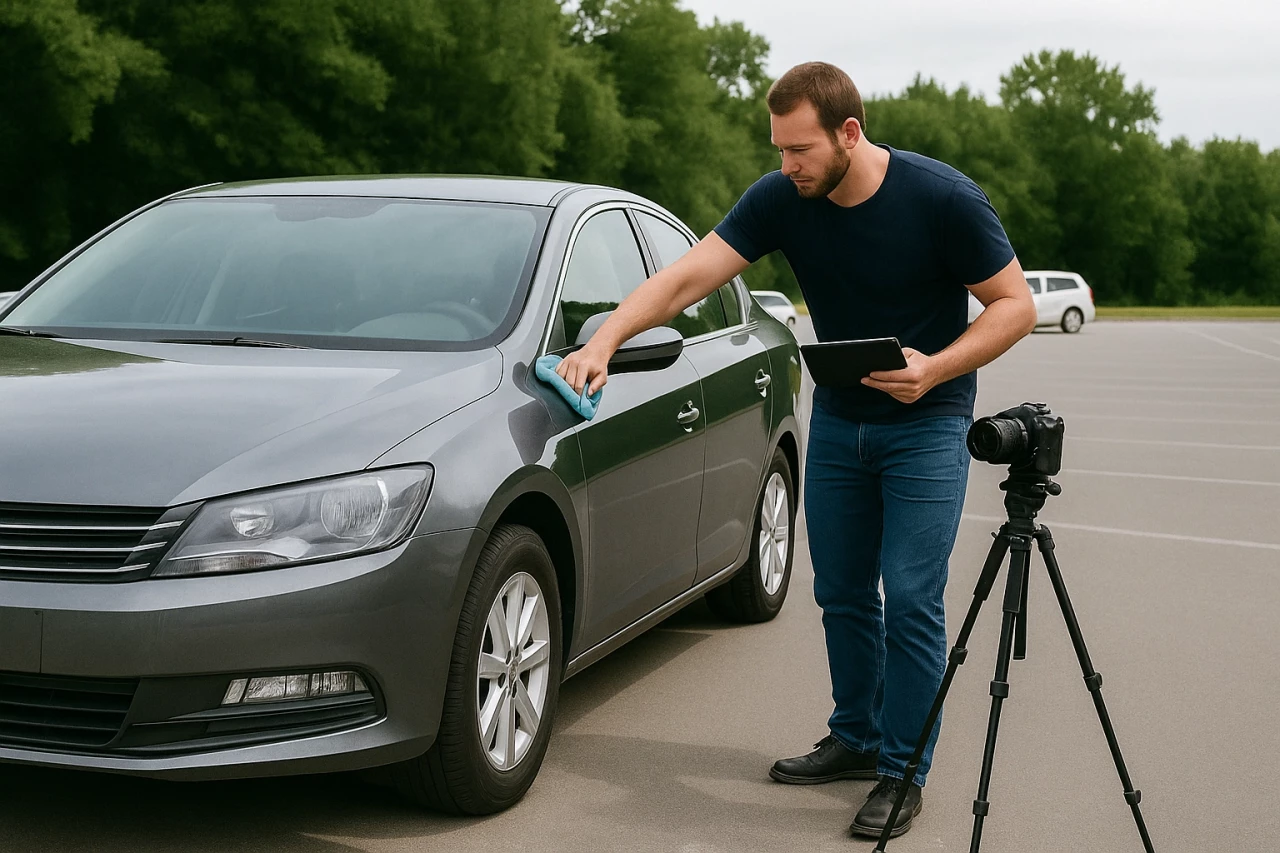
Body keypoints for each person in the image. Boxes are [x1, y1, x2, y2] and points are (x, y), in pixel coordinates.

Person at [555, 61, 1036, 839]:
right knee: (841, 592)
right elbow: (686, 278)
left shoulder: (941, 198)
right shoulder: (784, 198)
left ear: (850, 132)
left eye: (800, 149)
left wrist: (935, 368)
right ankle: (856, 735)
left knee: (910, 595)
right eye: (778, 148)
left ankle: (903, 771)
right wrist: (607, 336)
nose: (786, 166)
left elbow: (1014, 304)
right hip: (843, 423)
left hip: (928, 419)